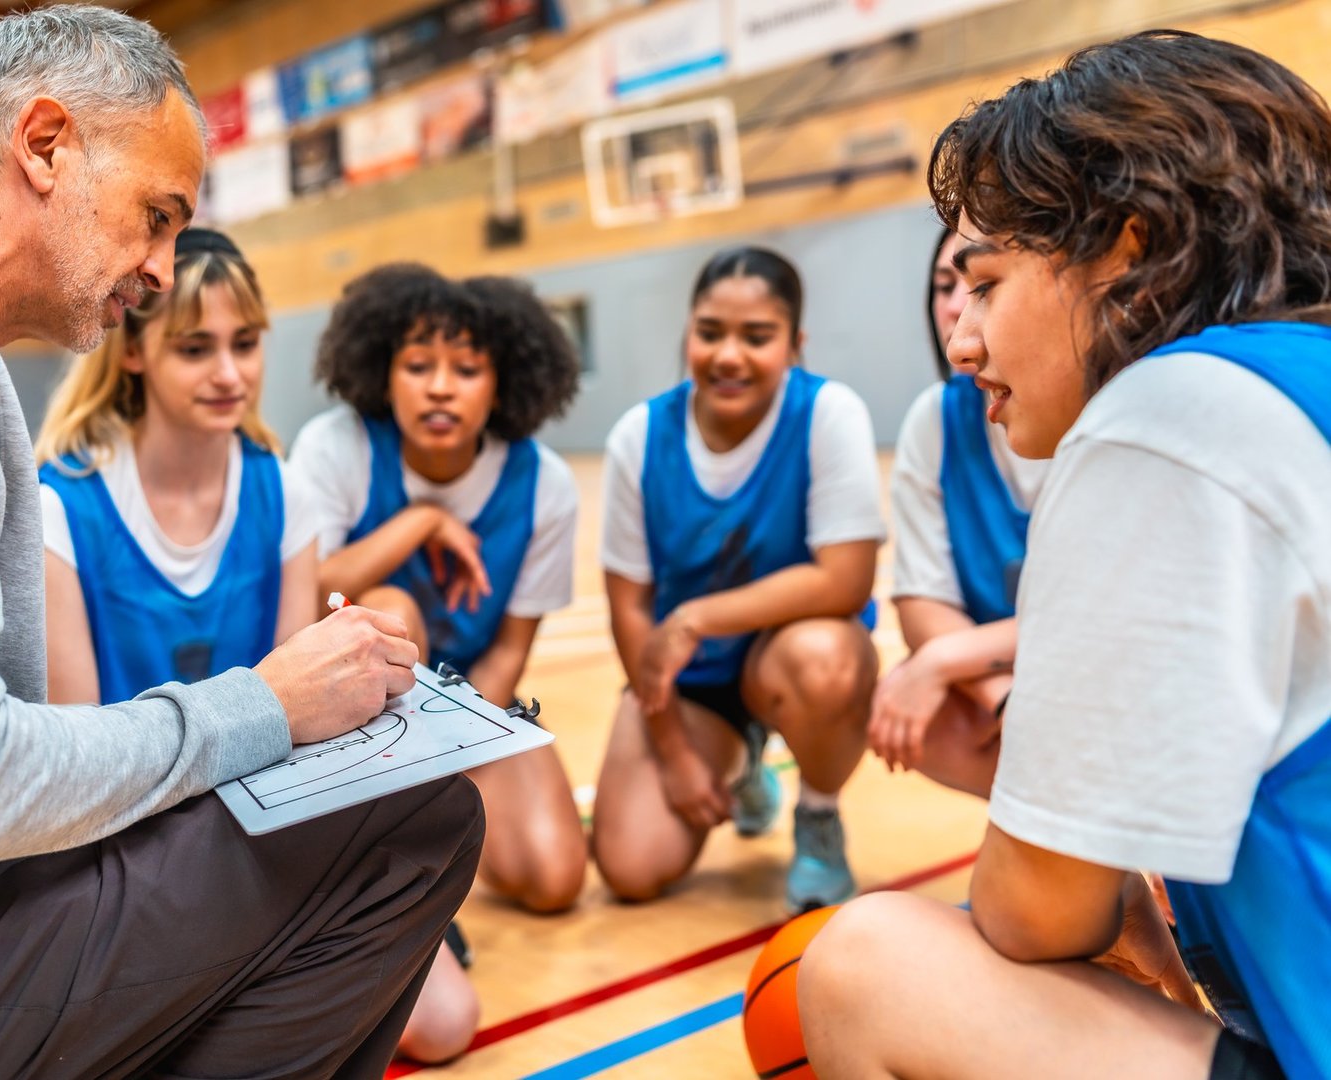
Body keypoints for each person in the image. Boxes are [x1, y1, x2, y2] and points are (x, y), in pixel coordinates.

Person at [0, 7, 481, 1076]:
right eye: (156, 215)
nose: (164, 269)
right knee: (413, 818)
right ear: (44, 145)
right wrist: (265, 705)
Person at [801, 30, 1331, 1080]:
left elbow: (1037, 915)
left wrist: (1101, 878)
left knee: (863, 965)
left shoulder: (1165, 416)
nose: (961, 341)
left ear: (1127, 250)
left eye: (987, 283)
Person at [287, 264, 585, 1062]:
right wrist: (419, 519)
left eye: (467, 367)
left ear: (506, 379)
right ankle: (395, 871)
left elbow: (513, 648)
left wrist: (454, 748)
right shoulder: (339, 445)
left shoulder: (544, 484)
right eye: (418, 366)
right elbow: (312, 584)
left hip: (471, 711)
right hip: (350, 733)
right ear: (383, 370)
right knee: (392, 610)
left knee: (556, 880)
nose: (440, 389)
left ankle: (432, 840)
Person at [592, 246, 885, 911]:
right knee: (630, 868)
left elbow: (845, 582)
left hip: (790, 662)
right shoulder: (638, 437)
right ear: (688, 333)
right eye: (710, 332)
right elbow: (629, 610)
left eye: (757, 337)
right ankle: (742, 763)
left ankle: (816, 817)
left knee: (829, 659)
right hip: (690, 683)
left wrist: (695, 618)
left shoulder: (828, 414)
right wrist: (676, 751)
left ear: (794, 344)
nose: (729, 355)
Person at [36, 226, 318, 705]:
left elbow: (302, 710)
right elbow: (76, 743)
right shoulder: (59, 510)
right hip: (119, 780)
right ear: (132, 351)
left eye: (245, 343)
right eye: (195, 349)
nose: (229, 375)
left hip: (264, 780)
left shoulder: (287, 495)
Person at [866, 227, 1050, 796]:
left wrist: (947, 660)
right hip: (1013, 683)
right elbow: (924, 607)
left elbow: (1111, 618)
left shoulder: (1102, 416)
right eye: (945, 285)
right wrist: (1004, 701)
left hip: (1102, 680)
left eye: (982, 285)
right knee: (913, 700)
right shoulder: (935, 420)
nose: (953, 305)